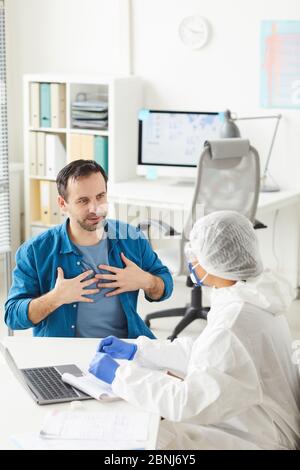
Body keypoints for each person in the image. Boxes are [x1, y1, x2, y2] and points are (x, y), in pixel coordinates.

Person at [88, 210, 300, 450]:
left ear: (216, 260)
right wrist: (139, 351)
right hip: (252, 417)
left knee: (146, 436)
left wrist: (120, 377)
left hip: (259, 438)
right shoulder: (250, 295)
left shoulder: (234, 322)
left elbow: (186, 402)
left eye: (196, 253)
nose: (192, 260)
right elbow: (205, 353)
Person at [5, 160, 173, 338]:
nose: (95, 208)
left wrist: (146, 281)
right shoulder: (35, 251)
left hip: (126, 346)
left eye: (100, 196)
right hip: (66, 352)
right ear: (62, 204)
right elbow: (13, 316)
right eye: (83, 200)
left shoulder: (132, 238)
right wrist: (55, 298)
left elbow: (165, 285)